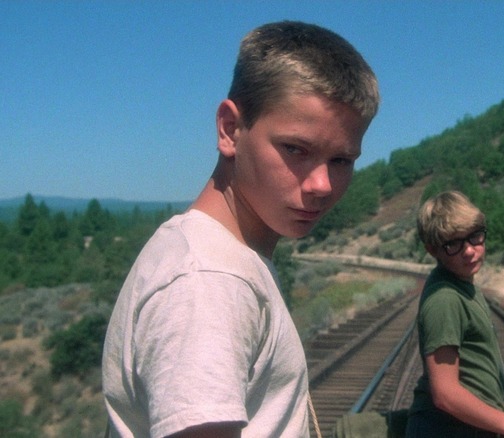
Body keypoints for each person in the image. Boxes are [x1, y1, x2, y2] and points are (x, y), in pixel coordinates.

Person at [102, 21, 379, 438]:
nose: (322, 184)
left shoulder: (221, 256)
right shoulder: (209, 283)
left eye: (342, 160)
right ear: (230, 129)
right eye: (296, 150)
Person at [406, 191, 504, 438]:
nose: (469, 251)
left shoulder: (464, 284)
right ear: (432, 250)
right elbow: (445, 394)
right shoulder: (445, 298)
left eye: (474, 237)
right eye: (453, 244)